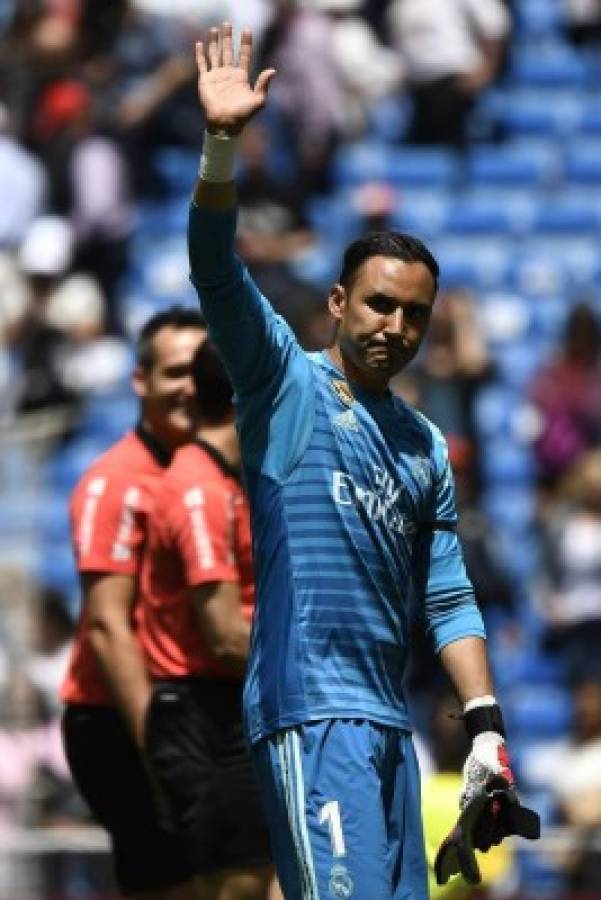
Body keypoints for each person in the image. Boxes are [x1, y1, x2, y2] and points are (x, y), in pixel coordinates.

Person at [187, 23, 531, 899]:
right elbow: (216, 273)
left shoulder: (420, 444)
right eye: (378, 305)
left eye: (414, 316)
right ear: (339, 302)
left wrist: (486, 729)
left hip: (390, 727)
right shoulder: (283, 383)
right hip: (308, 710)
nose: (394, 328)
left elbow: (447, 596)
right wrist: (222, 145)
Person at [60, 306, 206, 899]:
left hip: (191, 715)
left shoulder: (218, 472)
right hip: (120, 720)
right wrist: (160, 748)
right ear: (140, 381)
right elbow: (106, 625)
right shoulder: (115, 481)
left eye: (202, 370)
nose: (190, 387)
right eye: (174, 372)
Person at [140, 340, 276, 900]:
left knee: (260, 876)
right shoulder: (199, 491)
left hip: (230, 705)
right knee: (239, 883)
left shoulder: (226, 481)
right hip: (206, 711)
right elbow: (223, 634)